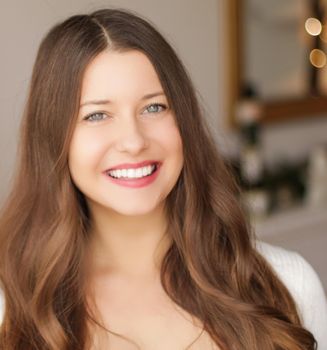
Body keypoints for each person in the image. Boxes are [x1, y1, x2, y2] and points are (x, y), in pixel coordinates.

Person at [0, 8, 326, 350]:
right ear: (54, 138)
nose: (134, 141)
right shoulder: (12, 308)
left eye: (154, 108)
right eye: (97, 115)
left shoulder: (290, 284)